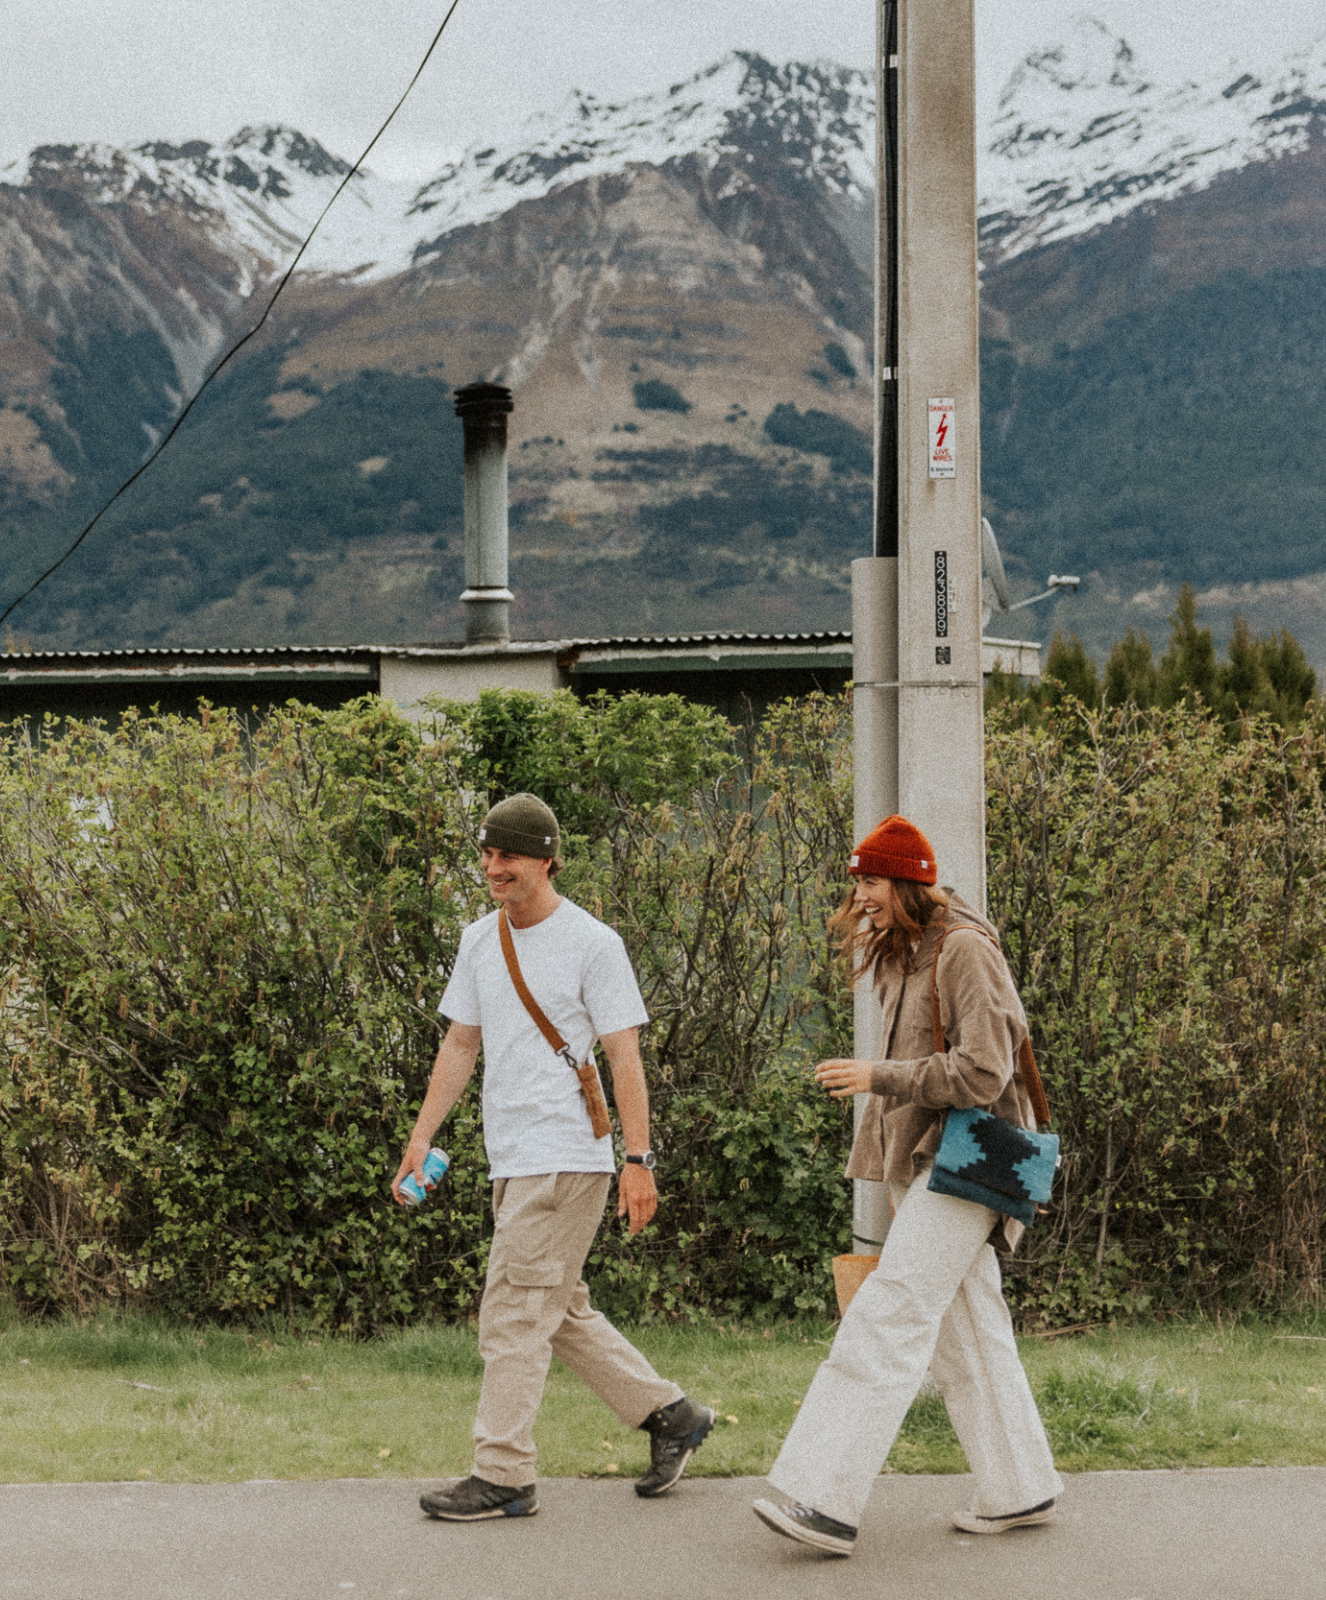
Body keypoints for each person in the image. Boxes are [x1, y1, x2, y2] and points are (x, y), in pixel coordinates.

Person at [394, 792, 714, 1521]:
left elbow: (623, 1055)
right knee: (555, 1307)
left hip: (569, 1154)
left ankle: (503, 1473)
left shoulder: (593, 944)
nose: (492, 867)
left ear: (546, 859)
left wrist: (641, 1158)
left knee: (512, 1311)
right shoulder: (481, 940)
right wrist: (421, 1137)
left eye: (507, 855)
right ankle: (673, 1416)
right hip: (511, 1155)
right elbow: (460, 1043)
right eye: (486, 853)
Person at [752, 813, 1062, 1557]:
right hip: (927, 1165)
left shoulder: (962, 951)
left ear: (910, 882)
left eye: (871, 882)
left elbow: (985, 1072)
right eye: (857, 881)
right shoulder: (900, 952)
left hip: (967, 1163)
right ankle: (1020, 1487)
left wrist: (875, 1077)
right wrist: (892, 1172)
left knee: (889, 1316)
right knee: (969, 1329)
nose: (859, 895)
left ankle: (823, 1500)